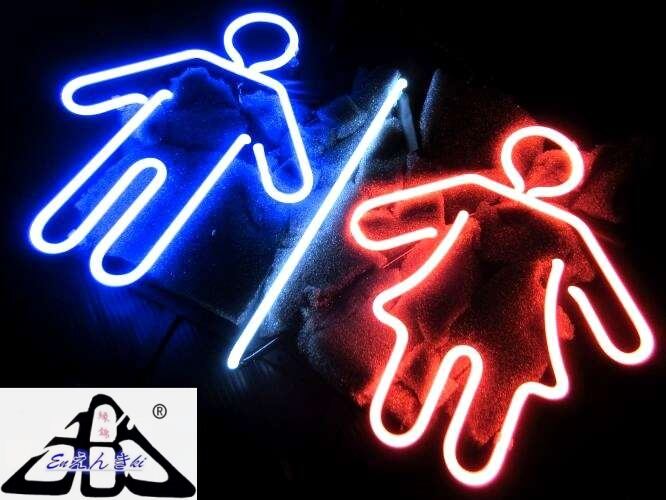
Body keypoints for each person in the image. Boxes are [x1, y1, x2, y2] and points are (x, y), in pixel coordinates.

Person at [349, 125, 655, 486]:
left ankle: (457, 426)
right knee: (435, 359)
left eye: (557, 173)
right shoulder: (493, 195)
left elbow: (626, 338)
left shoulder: (566, 231)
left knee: (482, 381)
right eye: (551, 170)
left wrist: (594, 315)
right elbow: (369, 222)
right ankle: (426, 413)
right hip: (447, 298)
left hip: (504, 318)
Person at [29, 13, 314, 287]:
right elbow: (280, 161)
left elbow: (272, 150)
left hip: (184, 160)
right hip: (170, 151)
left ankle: (89, 245)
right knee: (137, 199)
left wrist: (99, 96)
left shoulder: (237, 83)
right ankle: (83, 242)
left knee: (150, 205)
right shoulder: (208, 67)